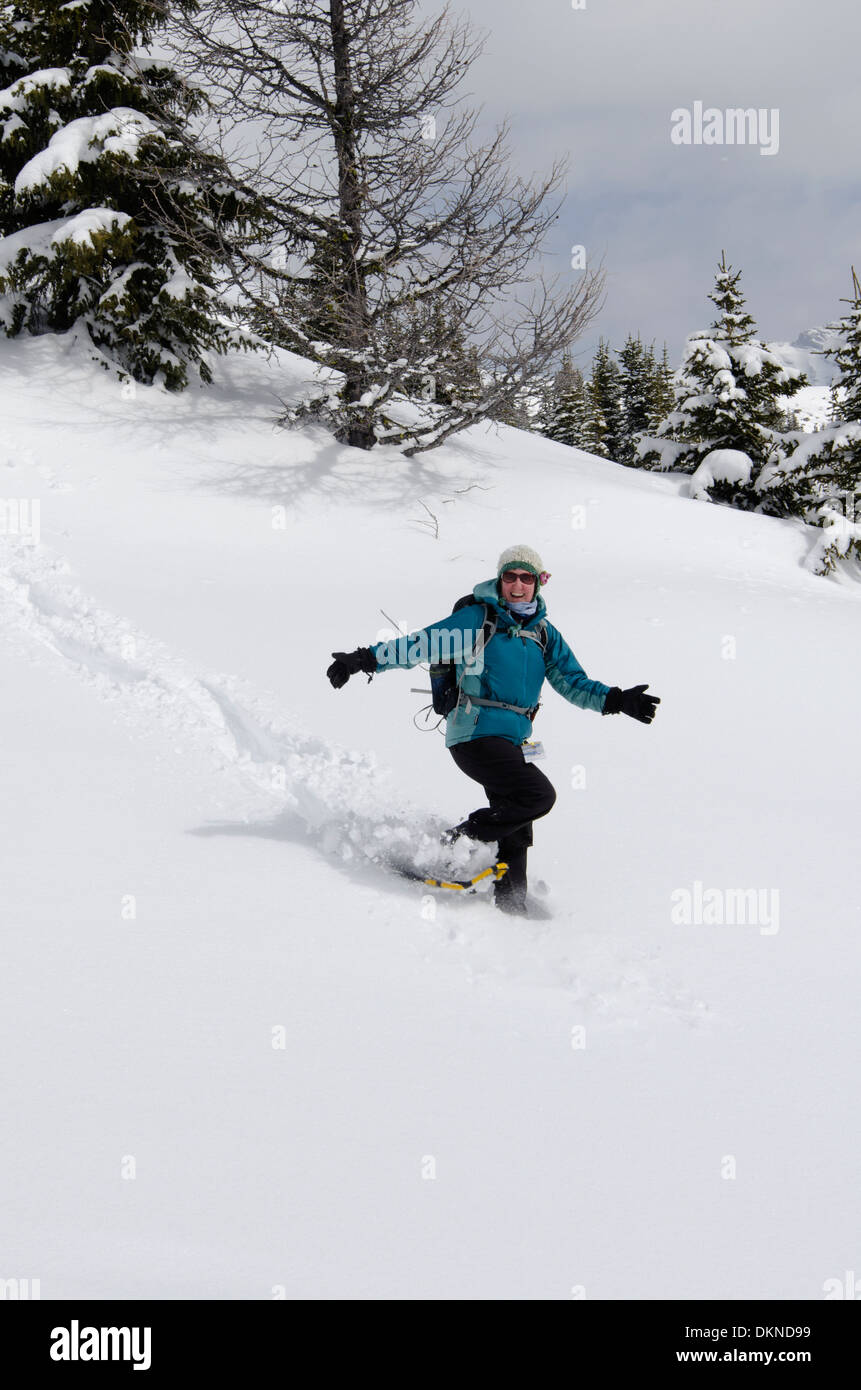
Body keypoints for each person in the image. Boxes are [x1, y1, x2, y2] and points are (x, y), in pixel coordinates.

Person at [326, 545, 660, 916]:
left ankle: (512, 906)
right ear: (500, 581)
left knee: (516, 825)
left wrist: (616, 700)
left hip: (515, 741)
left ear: (538, 583)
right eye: (510, 576)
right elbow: (420, 644)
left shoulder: (545, 635)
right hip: (476, 734)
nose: (518, 585)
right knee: (537, 795)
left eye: (526, 577)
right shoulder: (477, 619)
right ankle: (454, 843)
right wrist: (364, 659)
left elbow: (573, 682)